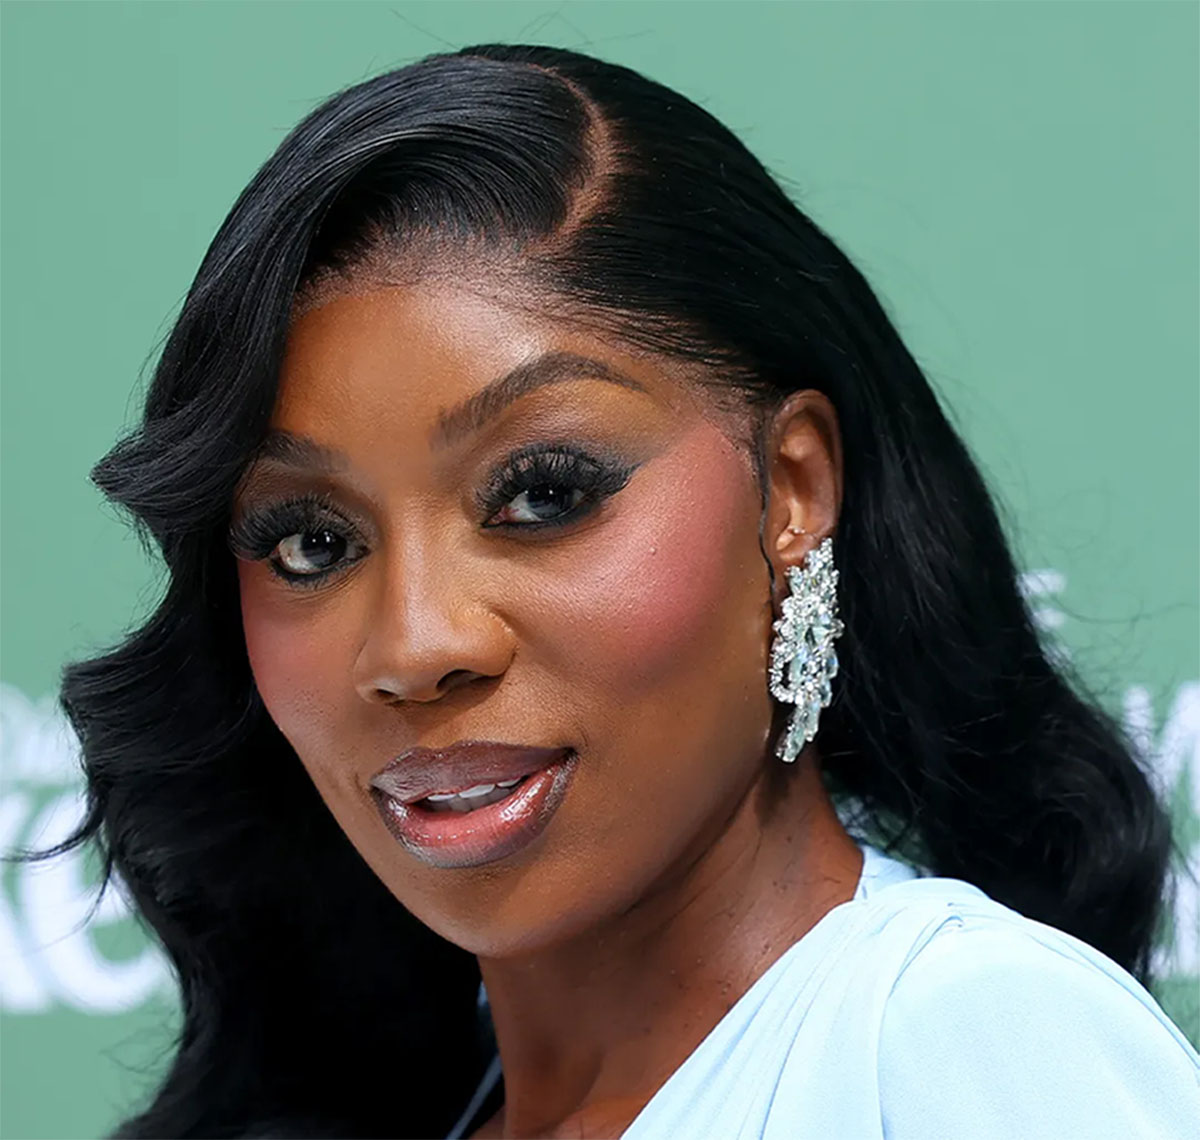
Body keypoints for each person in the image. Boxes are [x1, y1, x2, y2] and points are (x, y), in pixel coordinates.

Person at [16, 42, 1198, 1140]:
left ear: (792, 489)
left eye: (542, 493)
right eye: (313, 543)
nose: (416, 643)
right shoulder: (398, 1107)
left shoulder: (961, 1038)